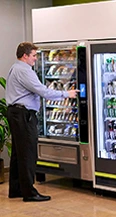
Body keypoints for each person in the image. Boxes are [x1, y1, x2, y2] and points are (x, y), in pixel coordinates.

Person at [5, 42, 79, 202]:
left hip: (15, 112)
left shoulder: (15, 68)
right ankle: (29, 193)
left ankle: (16, 188)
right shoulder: (24, 71)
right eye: (33, 55)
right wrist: (66, 94)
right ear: (25, 56)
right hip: (23, 115)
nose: (35, 59)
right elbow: (43, 91)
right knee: (28, 153)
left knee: (19, 153)